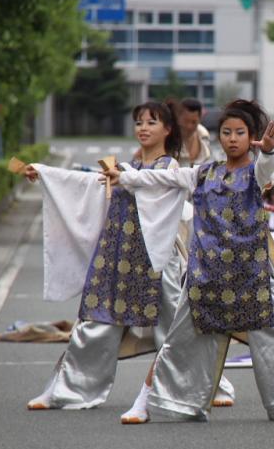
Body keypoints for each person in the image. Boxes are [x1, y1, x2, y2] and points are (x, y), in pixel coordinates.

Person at [104, 99, 274, 424]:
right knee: (175, 342)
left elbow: (267, 168)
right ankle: (142, 403)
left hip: (251, 280)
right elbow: (161, 180)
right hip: (206, 280)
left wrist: (269, 152)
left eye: (240, 132)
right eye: (226, 132)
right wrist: (126, 177)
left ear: (251, 137)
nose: (232, 138)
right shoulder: (203, 173)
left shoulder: (256, 173)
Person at [24, 101, 187, 411]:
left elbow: (154, 191)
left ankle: (196, 389)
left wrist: (123, 177)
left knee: (176, 330)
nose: (143, 127)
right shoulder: (125, 168)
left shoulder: (171, 168)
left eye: (151, 122)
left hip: (156, 262)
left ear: (167, 129)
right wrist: (46, 173)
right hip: (118, 257)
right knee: (94, 323)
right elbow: (87, 182)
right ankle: (66, 390)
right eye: (139, 122)